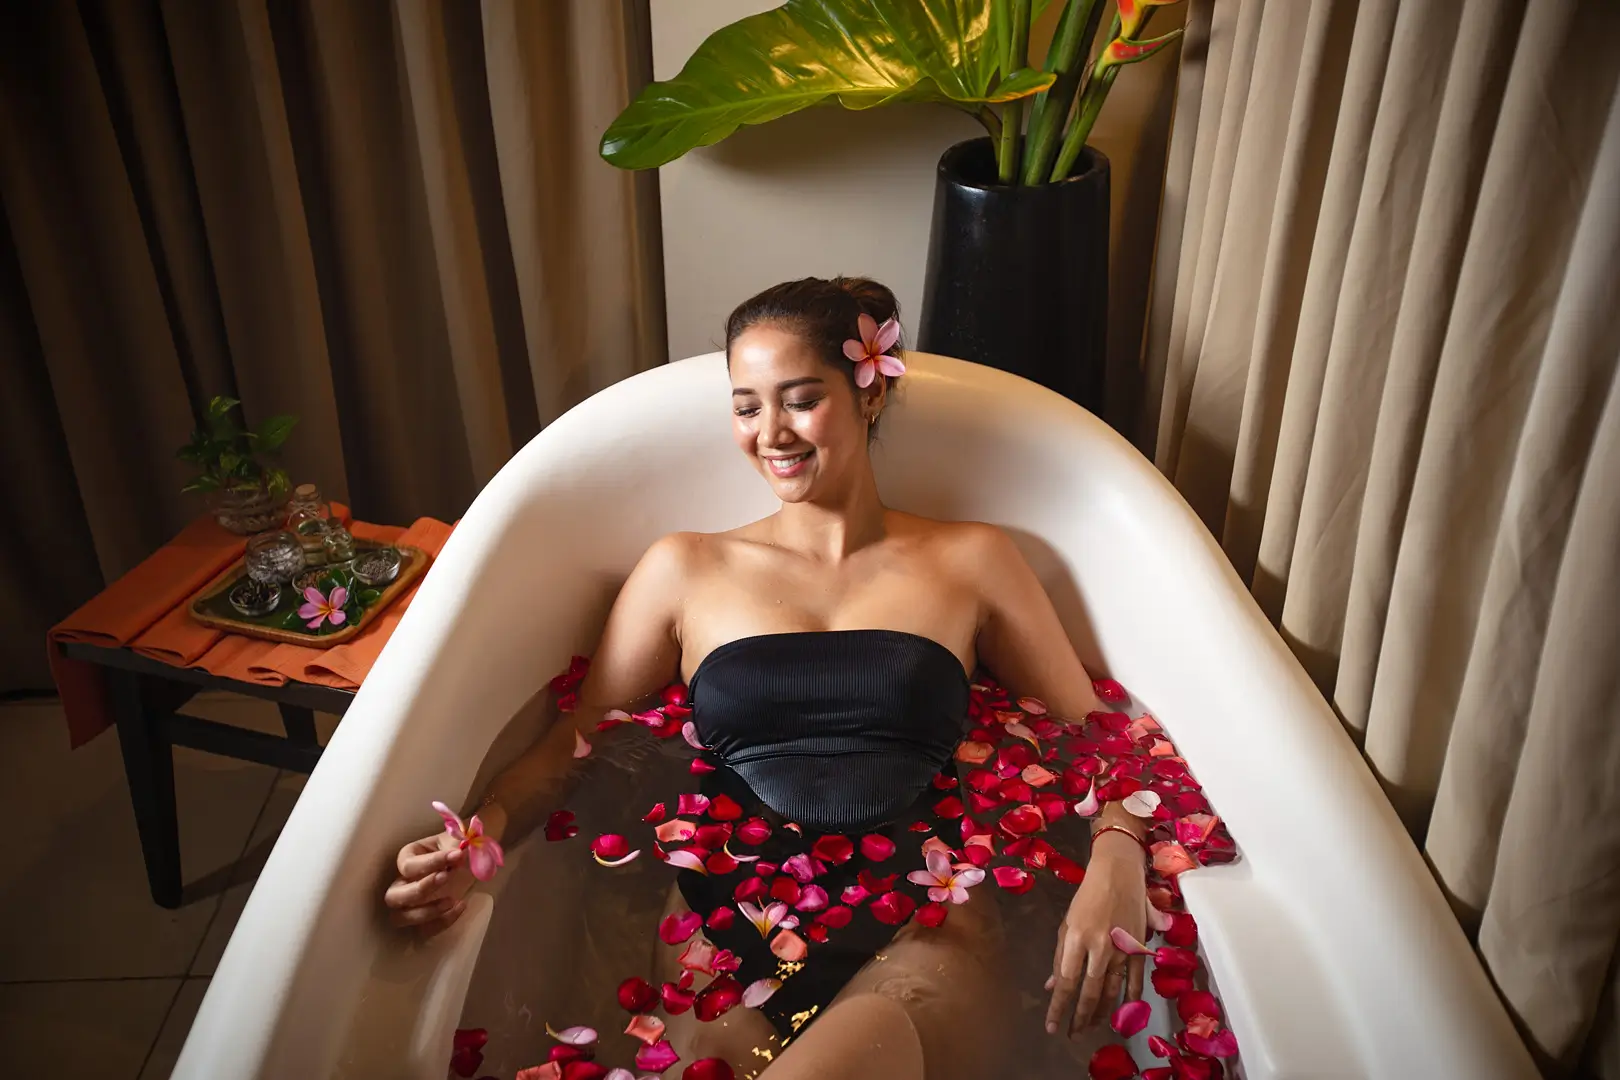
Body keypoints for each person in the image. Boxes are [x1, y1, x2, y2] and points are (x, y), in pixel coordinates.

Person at [383, 277, 1151, 1078]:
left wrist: (1118, 859)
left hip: (923, 927)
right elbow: (572, 748)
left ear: (871, 391)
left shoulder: (974, 561)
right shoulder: (684, 568)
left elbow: (1099, 739)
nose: (771, 432)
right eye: (747, 406)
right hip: (723, 937)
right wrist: (474, 841)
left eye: (800, 399)